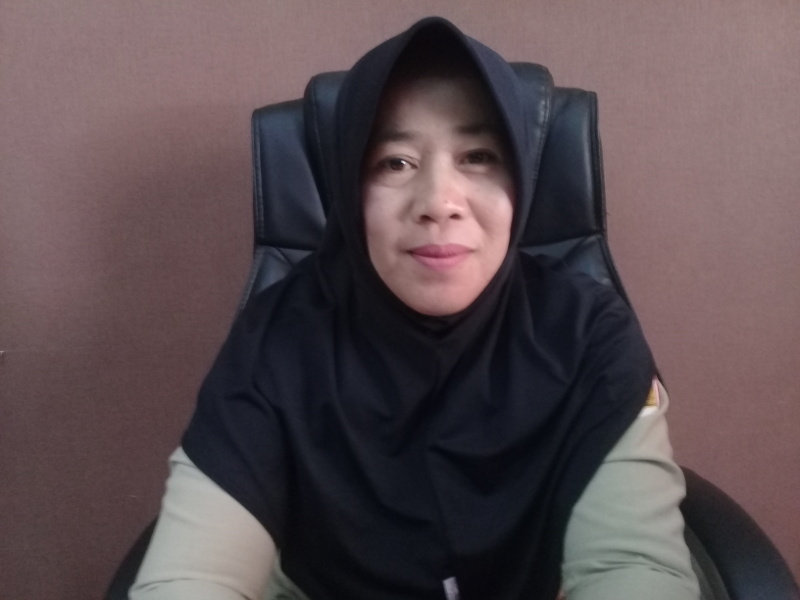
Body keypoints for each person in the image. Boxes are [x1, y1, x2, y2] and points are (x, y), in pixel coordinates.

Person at [130, 17, 700, 600]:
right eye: (395, 162)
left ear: (521, 181)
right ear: (349, 188)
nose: (438, 202)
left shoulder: (590, 334)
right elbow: (190, 579)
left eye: (478, 156)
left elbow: (633, 569)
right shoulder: (275, 342)